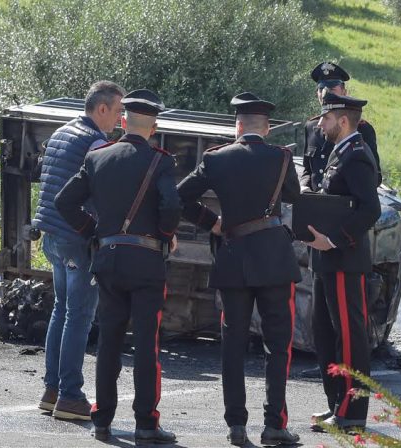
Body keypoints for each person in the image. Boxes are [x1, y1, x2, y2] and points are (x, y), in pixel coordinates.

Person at [54, 89, 181, 445]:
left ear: (123, 121)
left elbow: (66, 201)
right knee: (146, 344)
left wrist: (95, 232)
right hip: (146, 261)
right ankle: (145, 424)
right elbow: (171, 207)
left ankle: (103, 420)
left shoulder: (98, 157)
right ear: (153, 126)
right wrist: (166, 235)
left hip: (106, 259)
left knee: (108, 341)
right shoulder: (161, 161)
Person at [177, 92, 301, 447]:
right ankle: (275, 424)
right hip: (274, 260)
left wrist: (211, 222)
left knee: (232, 345)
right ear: (267, 128)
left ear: (237, 126)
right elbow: (293, 195)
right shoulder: (281, 157)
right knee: (278, 345)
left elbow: (180, 197)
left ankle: (236, 426)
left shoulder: (216, 160)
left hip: (233, 258)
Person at [32, 80, 125, 420]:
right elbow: (103, 196)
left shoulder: (61, 133)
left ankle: (52, 389)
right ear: (101, 109)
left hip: (53, 235)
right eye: (117, 111)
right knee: (79, 316)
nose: (120, 119)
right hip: (77, 239)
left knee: (62, 310)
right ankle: (71, 396)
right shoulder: (96, 143)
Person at [303, 92, 381, 433]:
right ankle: (337, 403)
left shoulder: (357, 157)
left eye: (326, 118)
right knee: (325, 334)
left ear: (343, 120)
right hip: (326, 259)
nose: (320, 124)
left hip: (344, 258)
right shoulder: (338, 153)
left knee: (350, 336)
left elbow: (370, 209)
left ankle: (352, 413)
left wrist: (335, 240)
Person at [302, 62, 382, 190]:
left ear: (344, 92)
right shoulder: (311, 126)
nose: (325, 94)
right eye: (321, 89)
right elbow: (307, 170)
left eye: (332, 89)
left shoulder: (361, 128)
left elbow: (375, 176)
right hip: (314, 202)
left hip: (341, 203)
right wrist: (303, 186)